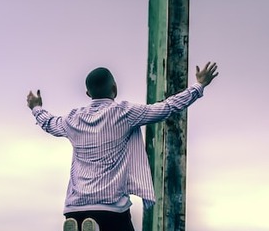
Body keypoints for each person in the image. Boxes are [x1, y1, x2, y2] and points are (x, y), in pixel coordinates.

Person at [26, 61, 218, 231]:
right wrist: (198, 86)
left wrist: (36, 107)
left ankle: (82, 225)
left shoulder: (73, 119)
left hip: (75, 208)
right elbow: (167, 107)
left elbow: (49, 123)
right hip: (110, 209)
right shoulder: (124, 113)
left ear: (88, 94)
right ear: (114, 88)